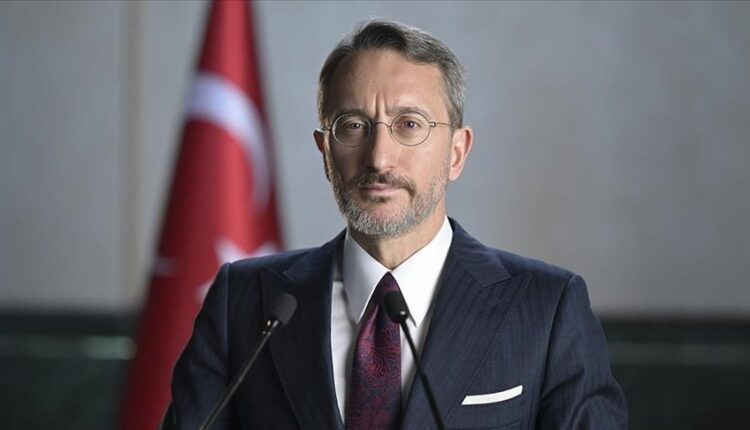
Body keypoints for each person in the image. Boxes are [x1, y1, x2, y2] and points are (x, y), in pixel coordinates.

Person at [163, 19, 628, 430]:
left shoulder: (547, 308)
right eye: (353, 126)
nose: (379, 158)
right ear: (325, 153)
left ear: (457, 153)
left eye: (409, 124)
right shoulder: (244, 302)